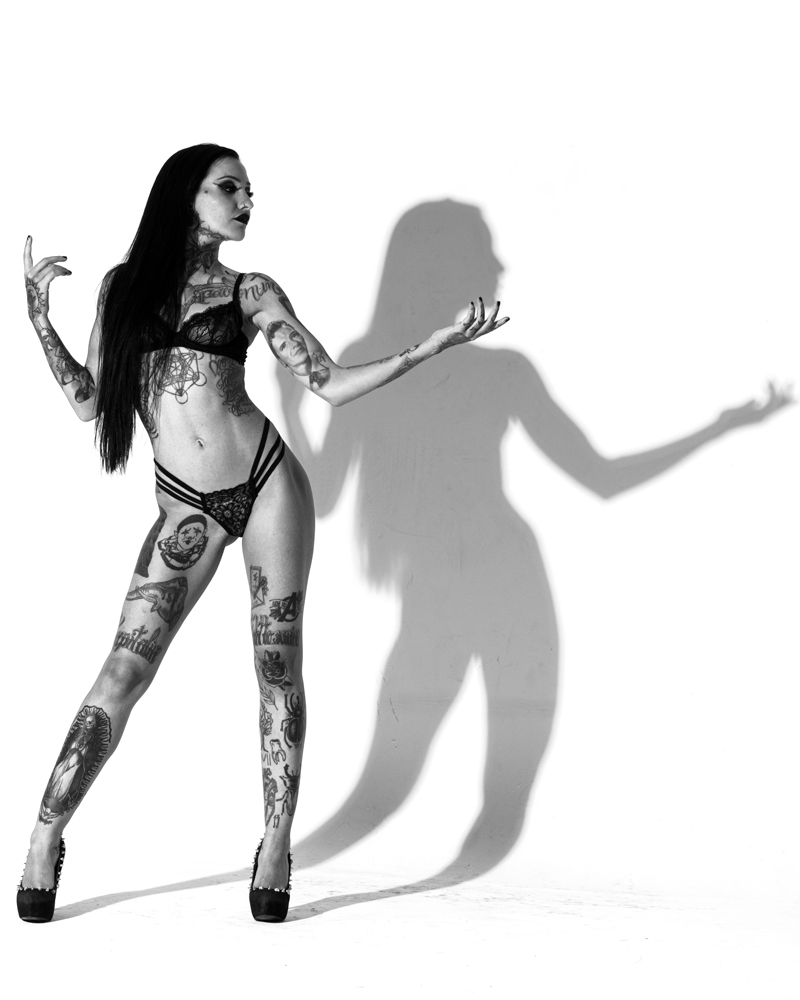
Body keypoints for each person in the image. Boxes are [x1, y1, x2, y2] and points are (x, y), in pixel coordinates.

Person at [18, 143, 508, 923]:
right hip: (185, 509)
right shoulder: (121, 289)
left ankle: (276, 843)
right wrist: (41, 324)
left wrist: (431, 347)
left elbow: (330, 384)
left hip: (268, 487)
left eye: (250, 190)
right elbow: (87, 401)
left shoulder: (250, 291)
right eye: (231, 187)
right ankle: (45, 837)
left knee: (277, 668)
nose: (247, 201)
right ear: (186, 195)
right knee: (123, 671)